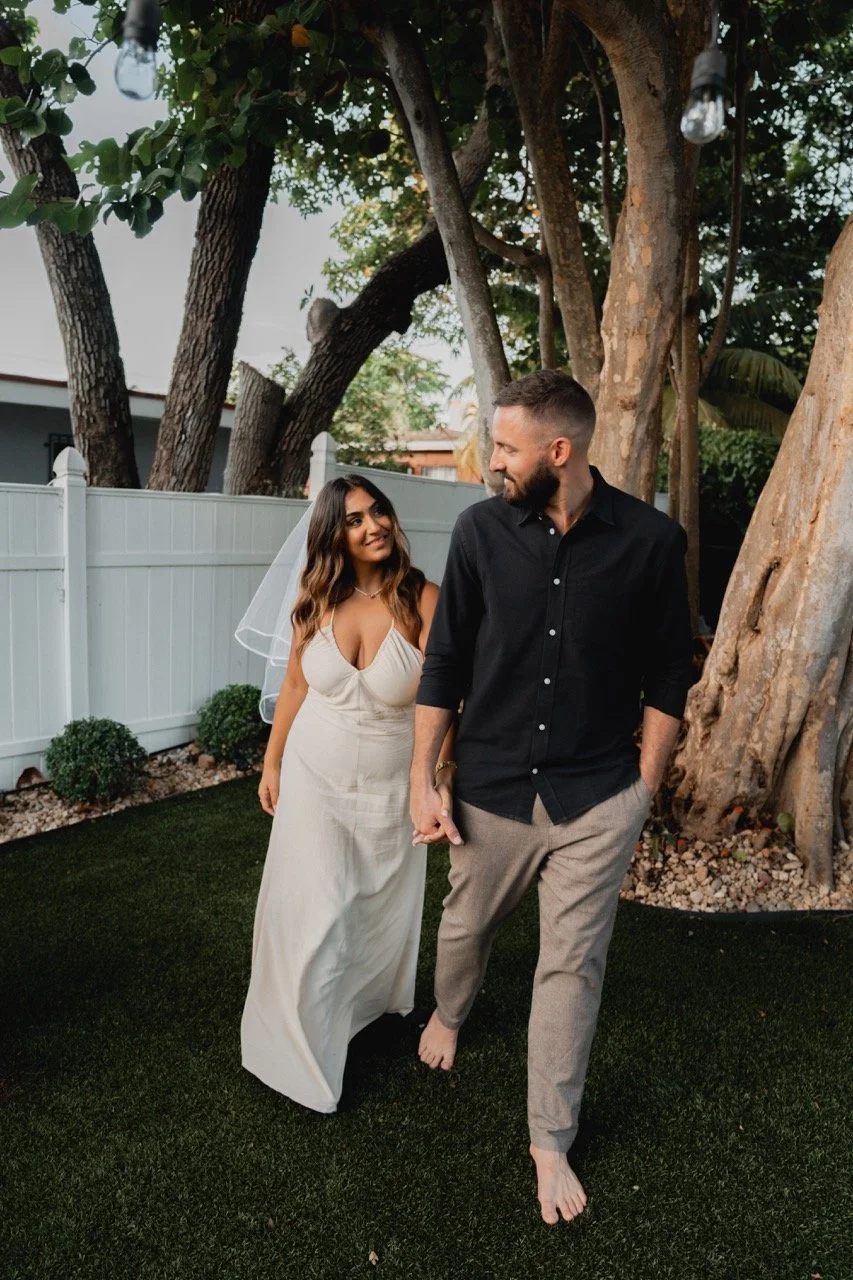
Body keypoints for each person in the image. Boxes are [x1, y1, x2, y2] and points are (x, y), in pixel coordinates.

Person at [410, 369, 695, 1224]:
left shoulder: (652, 541)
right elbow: (444, 662)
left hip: (597, 797)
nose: (493, 461)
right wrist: (423, 779)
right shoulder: (478, 532)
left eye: (505, 447)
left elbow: (669, 672)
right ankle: (451, 1010)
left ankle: (549, 1139)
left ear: (558, 450)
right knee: (465, 928)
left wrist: (643, 787)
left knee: (571, 966)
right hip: (491, 789)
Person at [237, 475, 454, 1113]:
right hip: (315, 777)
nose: (373, 525)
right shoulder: (314, 602)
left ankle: (360, 1008)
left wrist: (440, 776)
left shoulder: (423, 599)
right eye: (355, 519)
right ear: (335, 535)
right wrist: (272, 761)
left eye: (377, 511)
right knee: (320, 906)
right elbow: (295, 687)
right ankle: (300, 1049)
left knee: (375, 904)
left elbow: (451, 698)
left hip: (391, 786)